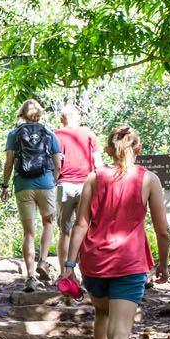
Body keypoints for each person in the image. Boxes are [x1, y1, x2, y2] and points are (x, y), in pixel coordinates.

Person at [58, 125, 170, 339]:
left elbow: (80, 224)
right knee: (121, 331)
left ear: (108, 150)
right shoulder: (148, 179)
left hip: (94, 262)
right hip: (130, 262)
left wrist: (69, 264)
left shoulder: (94, 178)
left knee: (103, 316)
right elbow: (162, 229)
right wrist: (163, 264)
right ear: (138, 148)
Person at [1, 99, 63, 292]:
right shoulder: (49, 133)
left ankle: (30, 277)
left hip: (23, 185)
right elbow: (58, 164)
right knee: (48, 223)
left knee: (28, 232)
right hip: (45, 184)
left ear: (22, 114)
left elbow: (9, 163)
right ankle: (43, 261)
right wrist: (51, 180)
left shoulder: (14, 134)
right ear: (40, 113)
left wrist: (4, 185)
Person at [53, 104, 102, 274]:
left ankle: (64, 275)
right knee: (84, 230)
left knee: (64, 232)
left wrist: (54, 179)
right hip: (86, 186)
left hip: (64, 185)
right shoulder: (89, 135)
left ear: (62, 120)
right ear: (79, 118)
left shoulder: (56, 135)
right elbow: (98, 163)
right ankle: (84, 273)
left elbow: (55, 162)